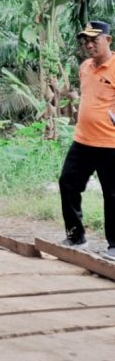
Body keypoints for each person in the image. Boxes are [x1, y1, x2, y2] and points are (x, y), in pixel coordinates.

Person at [59, 21, 115, 260]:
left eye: (95, 40)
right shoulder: (84, 67)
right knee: (67, 184)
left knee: (113, 195)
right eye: (86, 41)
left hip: (110, 144)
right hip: (82, 141)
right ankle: (75, 236)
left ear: (108, 40)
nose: (89, 45)